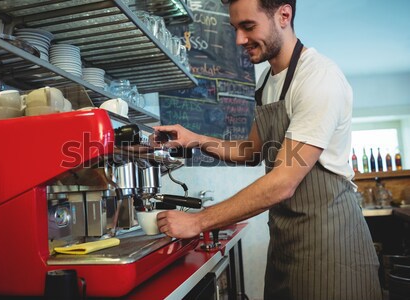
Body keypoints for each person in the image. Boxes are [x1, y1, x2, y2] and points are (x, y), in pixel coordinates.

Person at [154, 0, 382, 299]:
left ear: (284, 15)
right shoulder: (267, 82)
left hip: (332, 245)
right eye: (235, 28)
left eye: (248, 27)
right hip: (286, 241)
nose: (239, 40)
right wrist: (193, 138)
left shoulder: (318, 77)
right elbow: (250, 150)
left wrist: (198, 221)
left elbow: (282, 183)